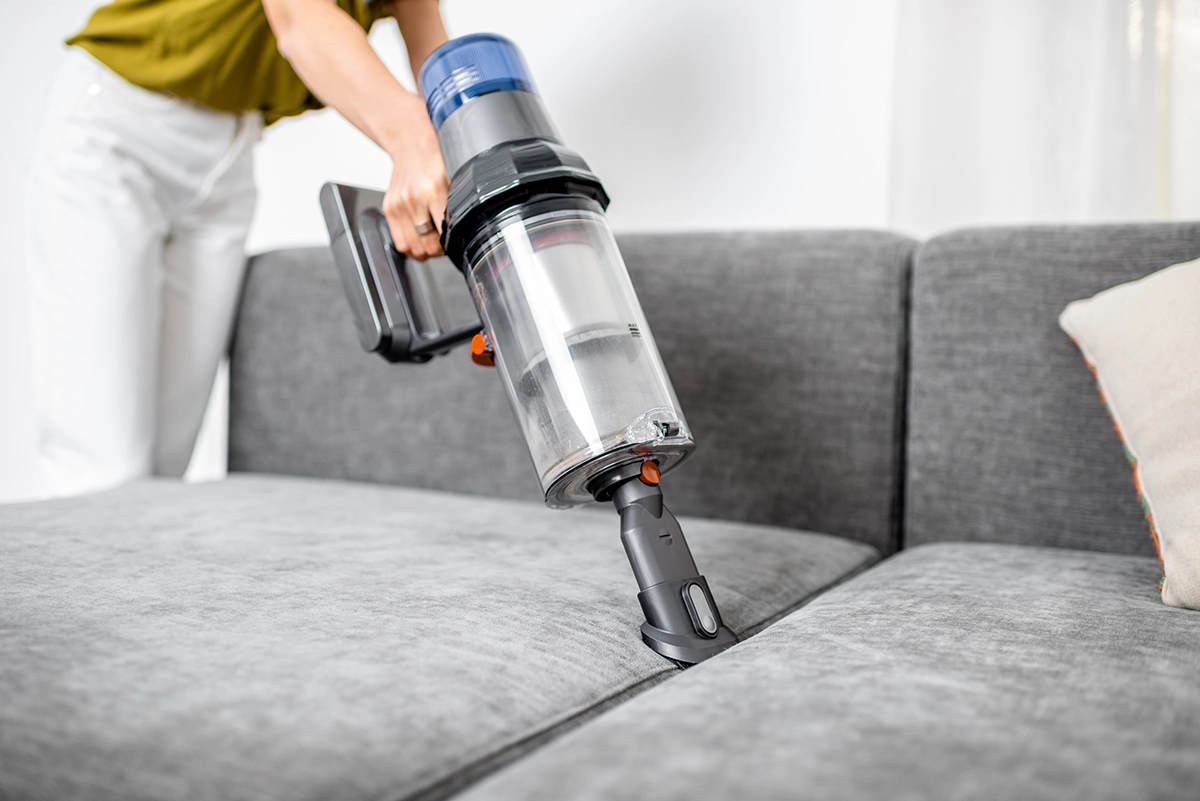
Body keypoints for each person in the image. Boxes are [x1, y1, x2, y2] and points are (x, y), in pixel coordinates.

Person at [29, 0, 450, 497]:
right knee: (101, 465)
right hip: (121, 121)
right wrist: (413, 141)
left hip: (229, 154)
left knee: (165, 463)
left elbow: (435, 58)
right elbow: (299, 20)